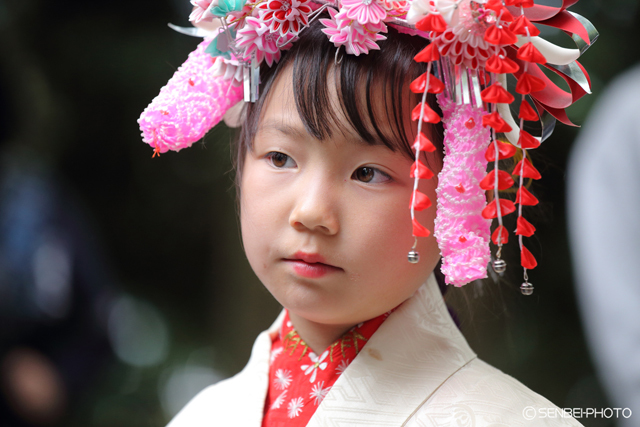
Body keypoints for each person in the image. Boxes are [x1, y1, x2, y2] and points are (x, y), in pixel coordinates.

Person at [138, 1, 596, 425]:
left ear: (458, 189)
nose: (312, 212)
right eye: (280, 158)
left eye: (369, 173)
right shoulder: (206, 415)